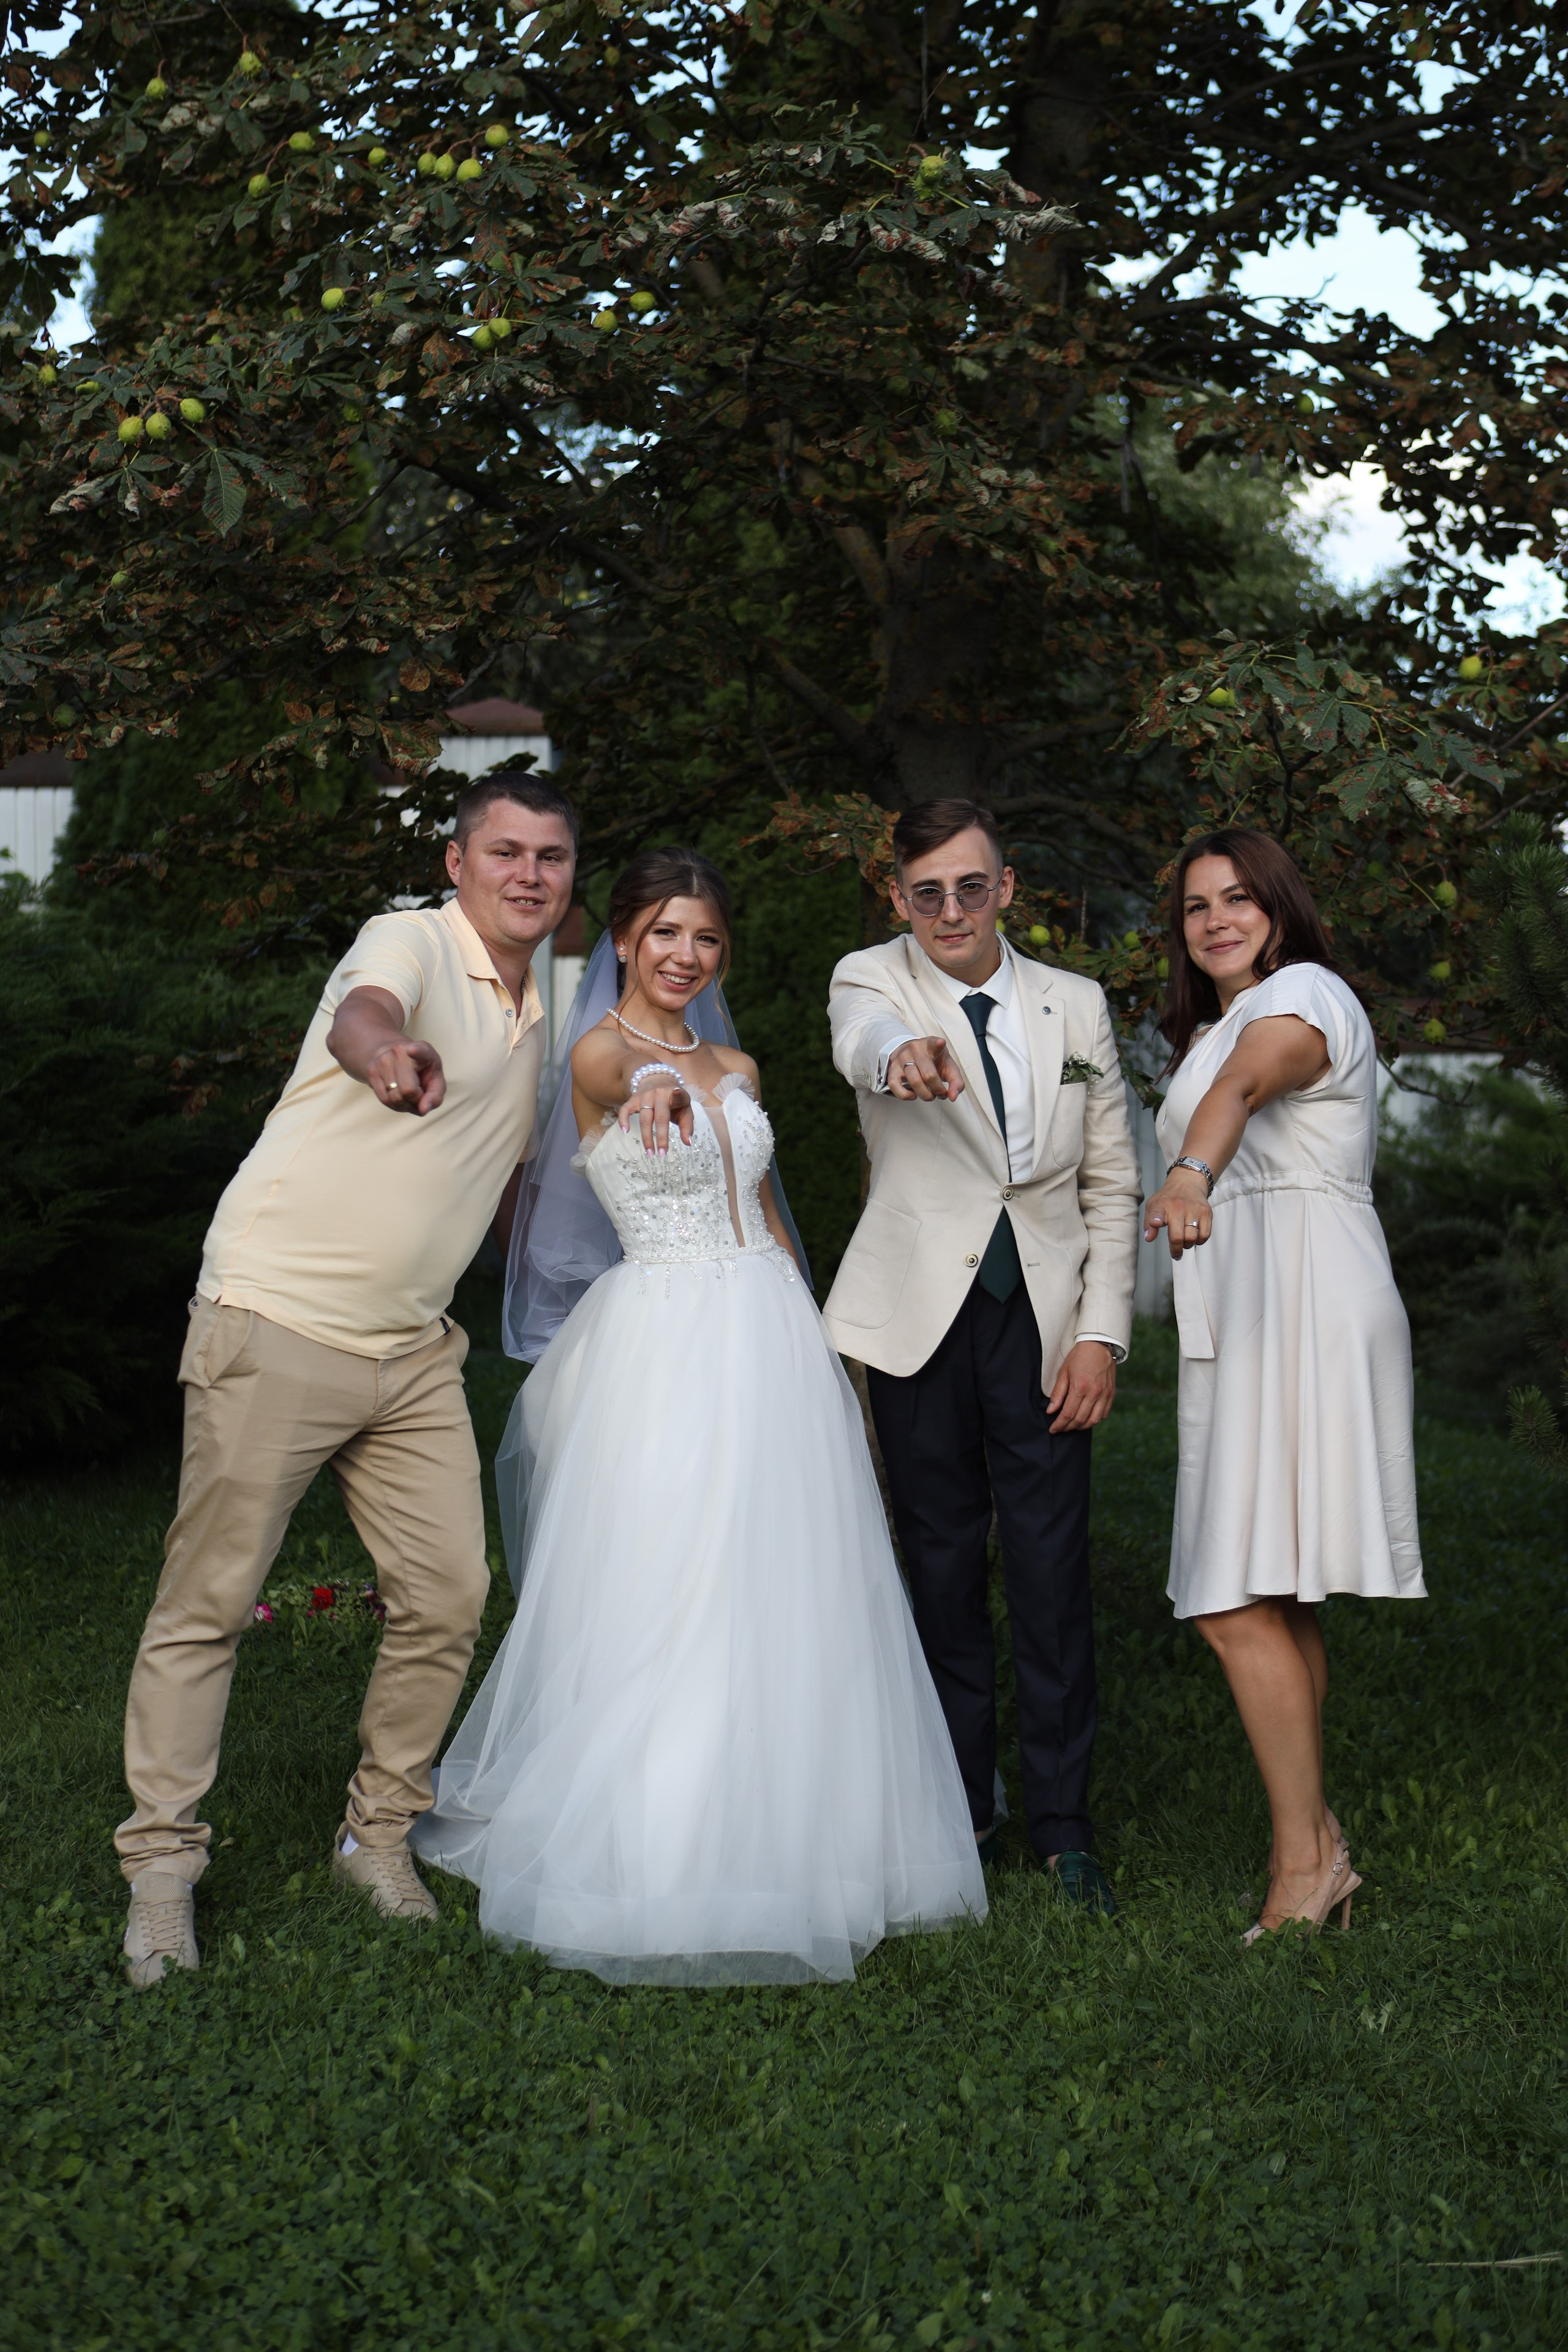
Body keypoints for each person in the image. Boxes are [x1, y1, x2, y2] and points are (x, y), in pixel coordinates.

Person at [411, 848, 985, 1982]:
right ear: (624, 938)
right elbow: (625, 1083)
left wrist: (824, 1359)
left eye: (706, 938)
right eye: (665, 933)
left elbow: (768, 1214)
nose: (686, 955)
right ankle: (657, 1839)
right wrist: (653, 1088)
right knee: (668, 1579)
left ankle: (797, 1833)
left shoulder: (741, 1062)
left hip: (767, 1332)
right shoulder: (596, 1053)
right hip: (663, 1341)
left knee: (787, 1584)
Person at [116, 774, 577, 1989]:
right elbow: (362, 1016)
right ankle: (161, 1872)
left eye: (550, 858)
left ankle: (376, 1836)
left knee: (450, 1592)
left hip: (413, 1351)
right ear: (457, 864)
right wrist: (389, 1056)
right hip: (278, 1319)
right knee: (208, 1601)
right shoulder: (409, 941)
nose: (528, 875)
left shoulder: (553, 1006)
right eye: (505, 853)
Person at [825, 800, 1142, 1910]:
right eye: (927, 893)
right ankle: (957, 1809)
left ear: (1007, 889)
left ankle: (1063, 1828)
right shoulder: (871, 980)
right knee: (940, 1567)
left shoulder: (1078, 1006)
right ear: (898, 898)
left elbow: (1109, 1180)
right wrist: (901, 1056)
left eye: (971, 887)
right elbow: (863, 1047)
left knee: (1054, 1576)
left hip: (1046, 1326)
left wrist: (1101, 1333)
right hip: (918, 1323)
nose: (950, 910)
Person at [1144, 828, 1424, 1944]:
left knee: (1226, 1595)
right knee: (1276, 1586)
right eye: (1196, 906)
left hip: (1306, 1296)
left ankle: (1307, 1863)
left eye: (1239, 898)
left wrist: (1186, 1170)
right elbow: (1231, 1069)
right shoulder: (1213, 1029)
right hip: (1255, 1302)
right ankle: (1311, 1851)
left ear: (1280, 908)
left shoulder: (1305, 996)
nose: (1215, 920)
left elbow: (1255, 1084)